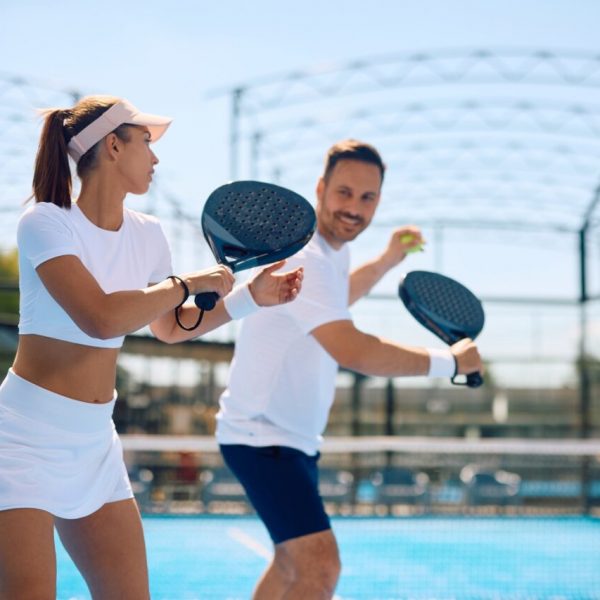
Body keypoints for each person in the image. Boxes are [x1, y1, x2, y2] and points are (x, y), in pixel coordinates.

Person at [0, 95, 303, 600]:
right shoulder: (45, 223)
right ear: (113, 146)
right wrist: (184, 283)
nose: (156, 157)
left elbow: (169, 327)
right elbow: (98, 317)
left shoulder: (148, 233)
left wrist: (252, 297)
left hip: (95, 444)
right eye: (145, 142)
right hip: (21, 441)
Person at [216, 139, 483, 599]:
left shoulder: (330, 254)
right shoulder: (309, 258)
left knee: (290, 565)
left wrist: (385, 260)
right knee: (320, 568)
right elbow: (354, 351)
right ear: (320, 188)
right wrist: (451, 363)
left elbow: (335, 300)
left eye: (368, 198)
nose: (354, 208)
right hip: (262, 437)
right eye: (344, 193)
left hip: (289, 440)